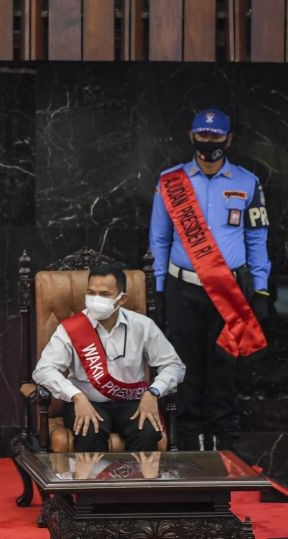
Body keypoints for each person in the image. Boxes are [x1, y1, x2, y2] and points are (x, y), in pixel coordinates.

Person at [149, 108, 271, 452]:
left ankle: (227, 444)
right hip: (182, 289)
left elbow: (257, 239)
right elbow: (158, 240)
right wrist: (159, 290)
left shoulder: (247, 182)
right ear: (192, 137)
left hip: (229, 290)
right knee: (185, 366)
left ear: (228, 139)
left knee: (224, 368)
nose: (209, 143)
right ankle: (187, 443)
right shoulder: (171, 181)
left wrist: (260, 288)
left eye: (216, 137)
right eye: (203, 136)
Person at [33, 265, 186, 452]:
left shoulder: (142, 326)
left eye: (104, 294)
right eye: (91, 292)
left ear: (121, 299)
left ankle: (137, 481)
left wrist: (153, 392)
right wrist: (76, 396)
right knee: (89, 431)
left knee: (147, 432)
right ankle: (92, 482)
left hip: (131, 402)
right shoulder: (72, 329)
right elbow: (43, 370)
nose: (95, 299)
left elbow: (174, 365)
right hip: (87, 401)